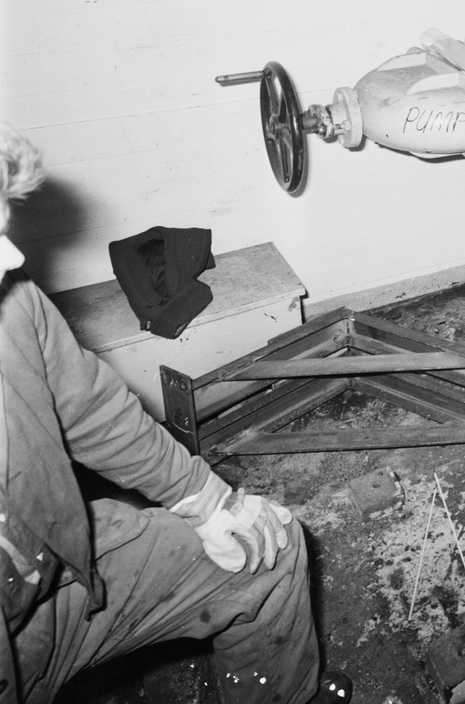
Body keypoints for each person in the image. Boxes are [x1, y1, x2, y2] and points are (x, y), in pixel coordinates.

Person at [0, 125, 348, 704]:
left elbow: (88, 409)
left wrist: (206, 500)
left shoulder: (11, 299)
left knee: (269, 546)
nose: (12, 256)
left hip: (49, 560)